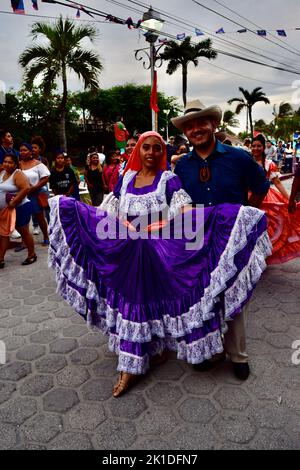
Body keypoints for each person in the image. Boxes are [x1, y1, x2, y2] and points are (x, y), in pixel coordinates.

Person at [49, 131, 271, 398]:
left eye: (156, 148)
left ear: (162, 152)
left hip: (158, 251)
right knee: (134, 301)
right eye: (146, 148)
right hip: (128, 250)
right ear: (138, 151)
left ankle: (151, 356)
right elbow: (109, 209)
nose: (151, 153)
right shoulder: (126, 179)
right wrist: (121, 224)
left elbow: (186, 212)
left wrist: (164, 224)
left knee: (151, 298)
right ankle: (135, 360)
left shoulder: (169, 179)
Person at [172, 99, 271, 380]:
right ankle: (211, 351)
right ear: (186, 133)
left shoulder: (239, 158)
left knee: (234, 296)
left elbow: (260, 188)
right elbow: (178, 204)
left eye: (201, 123)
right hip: (196, 242)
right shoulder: (182, 167)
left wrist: (245, 218)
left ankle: (238, 356)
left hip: (231, 241)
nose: (196, 129)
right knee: (204, 297)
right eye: (189, 126)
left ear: (213, 125)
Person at [251, 133, 300, 264]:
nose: (256, 148)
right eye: (253, 146)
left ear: (263, 147)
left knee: (266, 228)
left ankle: (262, 256)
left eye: (259, 146)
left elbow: (277, 182)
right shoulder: (245, 161)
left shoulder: (269, 163)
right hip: (248, 198)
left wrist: (290, 199)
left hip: (266, 197)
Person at [0, 154, 36, 267]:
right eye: (5, 161)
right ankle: (0, 259)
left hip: (20, 208)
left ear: (15, 164)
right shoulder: (2, 173)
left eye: (10, 162)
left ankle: (32, 254)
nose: (6, 164)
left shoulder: (18, 174)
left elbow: (26, 188)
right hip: (6, 210)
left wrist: (14, 201)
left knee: (23, 232)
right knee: (4, 234)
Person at [19, 143, 50, 246]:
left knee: (40, 216)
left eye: (25, 150)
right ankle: (24, 241)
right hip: (23, 195)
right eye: (21, 150)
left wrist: (34, 187)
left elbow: (45, 178)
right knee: (24, 219)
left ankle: (46, 236)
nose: (22, 152)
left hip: (35, 194)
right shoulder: (18, 164)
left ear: (30, 151)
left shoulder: (38, 163)